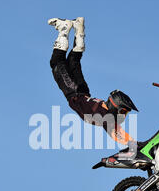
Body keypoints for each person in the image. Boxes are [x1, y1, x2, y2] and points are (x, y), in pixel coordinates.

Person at [48, 17, 139, 147]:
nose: (124, 116)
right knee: (57, 62)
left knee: (74, 61)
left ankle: (79, 29)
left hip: (83, 92)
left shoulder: (105, 109)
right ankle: (64, 28)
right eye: (123, 111)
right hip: (74, 92)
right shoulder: (107, 117)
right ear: (115, 106)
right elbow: (116, 133)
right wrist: (134, 144)